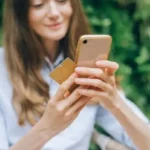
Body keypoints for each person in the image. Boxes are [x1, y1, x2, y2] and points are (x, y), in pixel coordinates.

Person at [0, 0, 149, 150]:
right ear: (19, 13)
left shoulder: (87, 66)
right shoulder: (2, 69)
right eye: (39, 4)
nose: (54, 13)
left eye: (62, 1)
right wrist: (47, 128)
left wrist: (114, 101)